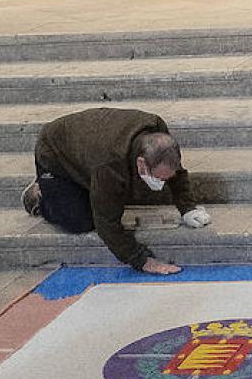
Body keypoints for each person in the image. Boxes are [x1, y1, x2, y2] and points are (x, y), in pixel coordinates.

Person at [21, 107, 207, 276]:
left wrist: (188, 208)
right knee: (79, 221)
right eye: (158, 177)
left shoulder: (158, 134)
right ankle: (42, 193)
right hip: (55, 153)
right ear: (142, 163)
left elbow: (175, 171)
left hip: (89, 149)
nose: (162, 182)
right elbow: (107, 224)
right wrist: (141, 260)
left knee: (125, 191)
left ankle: (86, 187)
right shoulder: (110, 164)